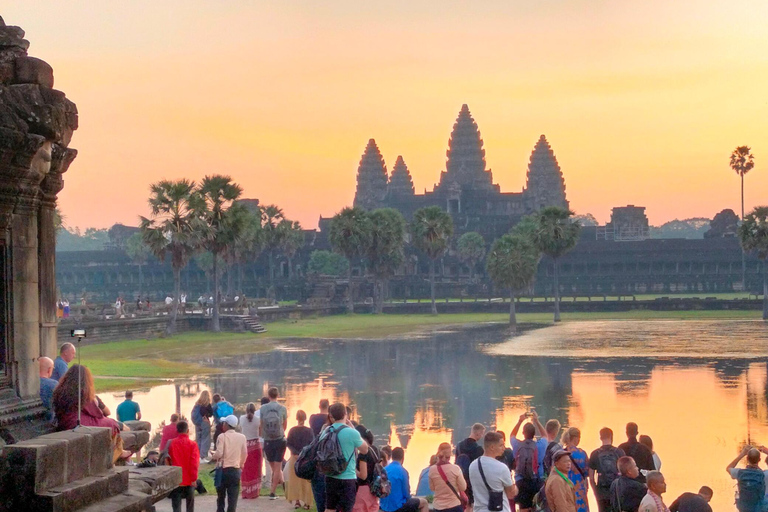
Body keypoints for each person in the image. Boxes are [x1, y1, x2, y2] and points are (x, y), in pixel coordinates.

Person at [52, 365, 129, 462]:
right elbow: (97, 414)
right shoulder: (83, 392)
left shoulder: (60, 390)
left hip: (64, 423)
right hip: (77, 423)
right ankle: (118, 452)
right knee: (112, 423)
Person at [322, 402, 369, 512]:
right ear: (345, 414)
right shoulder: (351, 432)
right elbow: (365, 449)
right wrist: (353, 429)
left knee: (329, 508)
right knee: (347, 509)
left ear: (331, 416)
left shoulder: (326, 431)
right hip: (347, 477)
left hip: (330, 475)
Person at [469, 431, 517, 512]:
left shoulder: (473, 466)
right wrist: (515, 488)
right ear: (492, 447)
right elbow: (511, 494)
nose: (504, 448)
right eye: (501, 445)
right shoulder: (501, 468)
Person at [511, 414, 547, 512]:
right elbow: (545, 436)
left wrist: (520, 421)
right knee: (538, 508)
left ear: (523, 433)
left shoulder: (517, 445)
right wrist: (536, 421)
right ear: (534, 434)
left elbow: (512, 435)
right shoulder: (540, 445)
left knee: (523, 508)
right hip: (537, 481)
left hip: (521, 481)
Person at [212, 415, 248, 512]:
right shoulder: (242, 437)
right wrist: (241, 464)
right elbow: (244, 453)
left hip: (223, 470)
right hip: (235, 469)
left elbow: (219, 453)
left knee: (220, 498)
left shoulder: (222, 436)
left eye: (224, 423)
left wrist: (213, 455)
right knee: (233, 499)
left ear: (226, 425)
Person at [259, 387, 288, 500]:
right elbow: (285, 424)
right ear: (278, 395)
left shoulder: (263, 408)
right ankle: (281, 486)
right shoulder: (282, 408)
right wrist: (280, 433)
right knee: (276, 467)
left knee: (274, 466)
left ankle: (273, 491)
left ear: (268, 395)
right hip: (280, 440)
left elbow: (261, 424)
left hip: (267, 440)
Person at [380, 447, 429, 512]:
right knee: (424, 502)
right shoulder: (403, 471)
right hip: (397, 507)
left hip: (384, 506)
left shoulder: (384, 469)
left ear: (392, 457)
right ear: (403, 458)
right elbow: (407, 494)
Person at [588, 427, 625, 512]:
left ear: (600, 438)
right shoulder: (619, 452)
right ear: (612, 436)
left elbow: (591, 477)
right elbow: (625, 472)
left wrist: (595, 491)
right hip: (617, 490)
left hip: (602, 491)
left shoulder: (595, 454)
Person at [168, 420, 200, 512]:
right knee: (190, 506)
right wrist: (194, 478)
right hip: (189, 479)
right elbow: (194, 462)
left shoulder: (172, 443)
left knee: (176, 506)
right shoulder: (193, 444)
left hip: (176, 479)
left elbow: (169, 460)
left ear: (177, 431)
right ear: (188, 431)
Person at [286, 410, 315, 509]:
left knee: (294, 480)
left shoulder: (292, 430)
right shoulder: (309, 431)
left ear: (296, 418)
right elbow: (312, 444)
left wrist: (294, 453)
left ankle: (297, 501)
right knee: (306, 480)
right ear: (305, 418)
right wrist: (304, 454)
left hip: (295, 458)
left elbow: (288, 443)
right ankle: (307, 502)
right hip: (306, 458)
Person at [429, 442, 468, 512]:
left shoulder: (432, 470)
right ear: (450, 455)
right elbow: (463, 487)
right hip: (454, 506)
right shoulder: (456, 468)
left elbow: (432, 488)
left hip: (438, 507)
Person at [726, 446, 765, 512]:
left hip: (743, 509)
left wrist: (742, 454)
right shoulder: (763, 474)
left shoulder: (740, 473)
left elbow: (728, 468)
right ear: (759, 460)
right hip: (758, 509)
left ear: (747, 458)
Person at [457, 422, 486, 508]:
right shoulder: (479, 449)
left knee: (464, 503)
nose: (481, 436)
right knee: (472, 504)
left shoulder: (459, 446)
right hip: (472, 480)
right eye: (482, 434)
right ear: (478, 433)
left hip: (460, 478)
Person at [353, 425, 381, 512]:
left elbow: (363, 475)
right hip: (373, 491)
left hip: (362, 491)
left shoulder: (363, 453)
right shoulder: (374, 450)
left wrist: (352, 468)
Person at [309, 399, 330, 512]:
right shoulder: (330, 419)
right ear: (328, 406)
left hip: (316, 452)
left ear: (319, 406)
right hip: (328, 453)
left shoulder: (313, 418)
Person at [561, 427, 589, 512]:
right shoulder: (582, 453)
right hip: (579, 488)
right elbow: (586, 472)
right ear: (575, 438)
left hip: (564, 487)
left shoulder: (561, 453)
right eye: (579, 437)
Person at [238, 403, 262, 499]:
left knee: (245, 469)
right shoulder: (258, 420)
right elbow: (260, 433)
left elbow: (240, 429)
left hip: (245, 445)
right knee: (255, 470)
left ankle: (245, 492)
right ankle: (254, 492)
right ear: (254, 410)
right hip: (255, 446)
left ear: (246, 410)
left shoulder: (241, 418)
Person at [191, 390, 214, 462]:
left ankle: (197, 455)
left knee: (198, 439)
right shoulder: (207, 404)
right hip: (205, 423)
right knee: (205, 439)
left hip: (197, 423)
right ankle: (203, 456)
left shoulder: (197, 404)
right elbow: (211, 414)